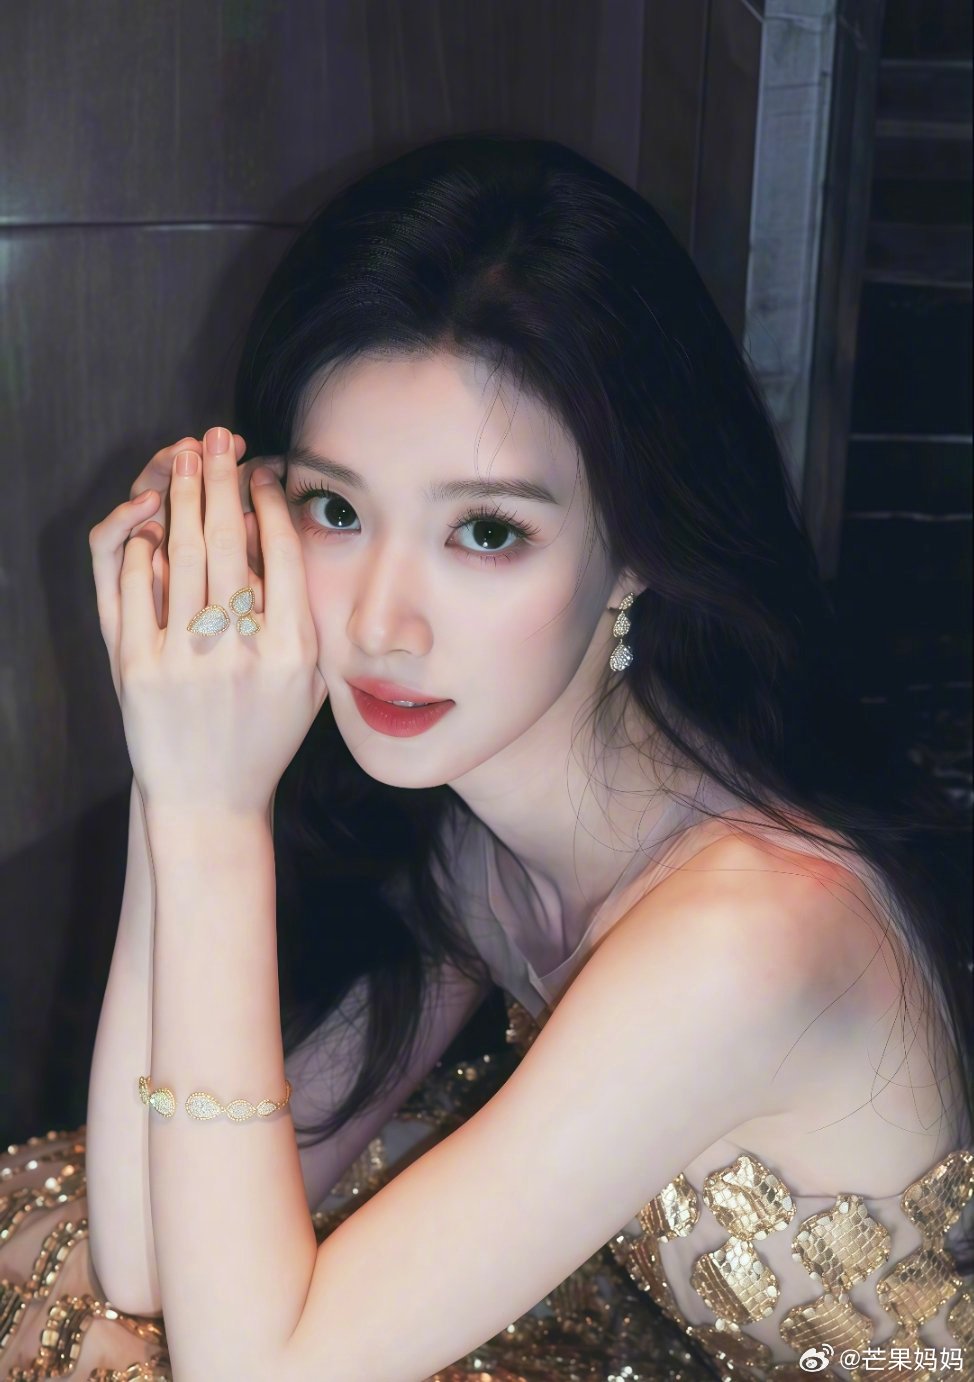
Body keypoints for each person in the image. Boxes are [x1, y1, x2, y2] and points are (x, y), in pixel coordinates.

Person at [2, 133, 971, 1382]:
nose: (381, 624)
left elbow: (252, 1373)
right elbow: (142, 1252)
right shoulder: (484, 852)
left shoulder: (749, 933)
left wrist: (210, 815)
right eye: (336, 510)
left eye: (486, 531)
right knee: (62, 1270)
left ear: (634, 551)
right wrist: (171, 751)